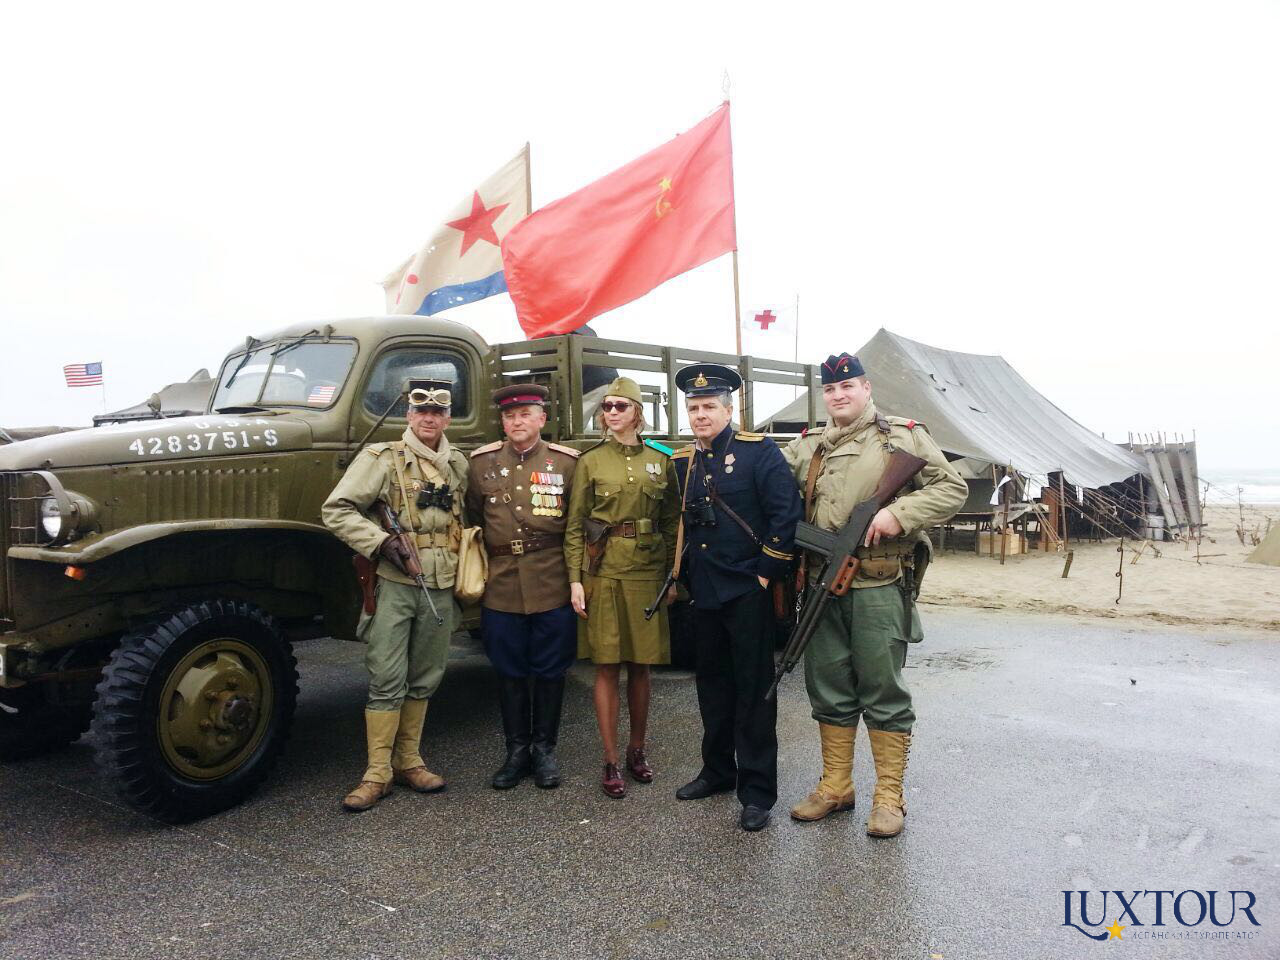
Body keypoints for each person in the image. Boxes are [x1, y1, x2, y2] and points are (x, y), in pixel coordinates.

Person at [781, 352, 966, 837]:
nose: (838, 395)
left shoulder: (901, 437)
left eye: (848, 387)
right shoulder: (807, 447)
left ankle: (888, 797)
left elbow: (951, 488)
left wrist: (897, 515)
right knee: (828, 686)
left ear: (866, 389)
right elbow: (769, 484)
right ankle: (836, 786)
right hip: (822, 585)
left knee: (883, 690)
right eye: (830, 389)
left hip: (880, 585)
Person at [322, 378, 470, 812]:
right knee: (387, 677)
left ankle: (409, 761)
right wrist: (380, 542)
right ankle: (376, 773)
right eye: (421, 411)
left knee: (425, 676)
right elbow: (337, 509)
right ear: (409, 415)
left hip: (440, 583)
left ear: (447, 419)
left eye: (438, 412)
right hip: (395, 581)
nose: (429, 418)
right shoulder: (382, 458)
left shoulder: (456, 463)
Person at [669, 364, 802, 832]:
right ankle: (718, 771)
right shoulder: (684, 462)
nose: (700, 415)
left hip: (747, 589)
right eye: (693, 408)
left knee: (753, 692)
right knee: (712, 687)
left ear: (729, 409)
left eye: (709, 406)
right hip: (705, 591)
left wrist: (764, 574)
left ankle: (758, 791)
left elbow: (785, 515)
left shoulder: (757, 452)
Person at [563, 376, 679, 798]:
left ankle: (637, 749)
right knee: (607, 665)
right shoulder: (590, 461)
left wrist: (673, 576)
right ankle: (610, 759)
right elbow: (575, 526)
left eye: (621, 406)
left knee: (641, 666)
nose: (612, 412)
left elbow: (672, 521)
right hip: (604, 571)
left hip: (647, 571)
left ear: (637, 412)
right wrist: (575, 580)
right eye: (607, 406)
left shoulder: (661, 460)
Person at [465, 383, 581, 790]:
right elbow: (473, 516)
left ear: (542, 418)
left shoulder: (566, 462)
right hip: (501, 584)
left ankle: (544, 750)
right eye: (510, 416)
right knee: (508, 670)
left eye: (525, 414)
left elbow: (576, 524)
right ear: (502, 421)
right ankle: (516, 751)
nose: (517, 421)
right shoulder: (481, 463)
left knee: (551, 670)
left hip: (551, 580)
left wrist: (575, 580)